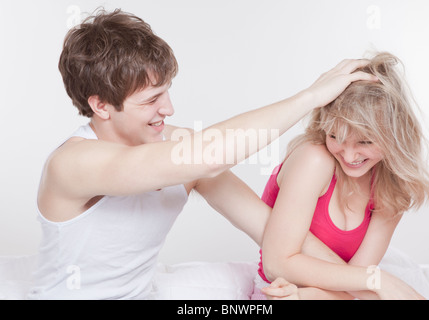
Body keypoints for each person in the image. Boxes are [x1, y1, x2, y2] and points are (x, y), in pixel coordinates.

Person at [27, 9, 376, 299]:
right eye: (151, 100)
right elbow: (210, 156)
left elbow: (269, 229)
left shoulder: (180, 149)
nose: (169, 109)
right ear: (100, 105)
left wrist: (365, 286)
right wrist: (310, 97)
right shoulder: (72, 164)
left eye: (166, 92)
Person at [254, 52, 429, 300]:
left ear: (394, 137)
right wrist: (378, 280)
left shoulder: (392, 187)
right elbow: (277, 264)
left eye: (365, 142)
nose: (350, 156)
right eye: (336, 137)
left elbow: (353, 286)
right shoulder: (314, 160)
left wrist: (308, 297)